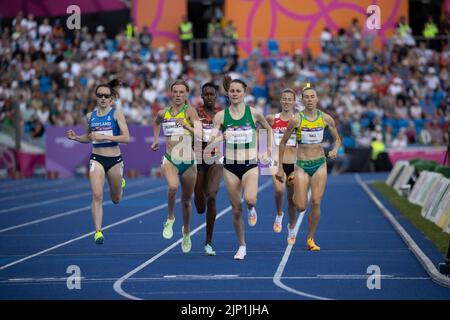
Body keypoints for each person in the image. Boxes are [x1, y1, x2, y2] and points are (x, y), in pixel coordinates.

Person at [209, 77, 272, 260]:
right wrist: (221, 136)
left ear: (244, 92)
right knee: (236, 210)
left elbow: (268, 129)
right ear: (228, 93)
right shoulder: (221, 116)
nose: (235, 94)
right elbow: (211, 139)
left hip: (250, 164)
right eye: (232, 91)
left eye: (238, 91)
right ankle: (242, 246)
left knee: (250, 199)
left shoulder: (254, 113)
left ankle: (252, 208)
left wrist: (267, 150)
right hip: (230, 166)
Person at [276, 83, 341, 250]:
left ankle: (310, 239)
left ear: (317, 99)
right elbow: (283, 143)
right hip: (302, 165)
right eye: (307, 97)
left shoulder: (326, 118)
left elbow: (337, 139)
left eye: (313, 97)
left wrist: (335, 149)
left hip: (319, 163)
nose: (310, 99)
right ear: (303, 100)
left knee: (316, 202)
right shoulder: (296, 119)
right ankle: (292, 183)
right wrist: (280, 167)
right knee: (301, 206)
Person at [67, 79, 129, 244]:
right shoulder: (90, 117)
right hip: (97, 158)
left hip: (115, 160)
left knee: (116, 199)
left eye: (106, 96)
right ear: (96, 97)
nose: (103, 98)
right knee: (97, 195)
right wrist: (76, 138)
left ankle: (120, 182)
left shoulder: (116, 114)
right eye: (100, 95)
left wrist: (104, 136)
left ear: (111, 98)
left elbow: (126, 138)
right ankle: (98, 232)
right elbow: (88, 138)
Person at [151, 80, 200, 253]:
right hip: (170, 158)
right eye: (175, 92)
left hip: (188, 161)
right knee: (173, 187)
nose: (178, 95)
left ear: (186, 94)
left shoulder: (191, 111)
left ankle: (186, 232)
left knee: (186, 201)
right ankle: (170, 218)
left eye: (182, 92)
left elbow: (201, 133)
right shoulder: (163, 113)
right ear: (171, 93)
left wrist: (186, 125)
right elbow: (156, 122)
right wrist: (156, 139)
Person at [194, 82, 223, 256]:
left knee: (212, 196)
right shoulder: (196, 113)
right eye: (206, 94)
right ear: (202, 97)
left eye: (212, 94)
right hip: (197, 158)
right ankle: (198, 195)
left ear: (216, 96)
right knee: (199, 207)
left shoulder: (221, 114)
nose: (209, 97)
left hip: (214, 159)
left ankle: (208, 242)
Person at [265, 89, 297, 234]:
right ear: (280, 100)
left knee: (291, 199)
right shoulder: (272, 118)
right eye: (284, 98)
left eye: (290, 99)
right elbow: (260, 131)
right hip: (276, 160)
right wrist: (264, 151)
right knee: (279, 190)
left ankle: (291, 227)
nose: (286, 101)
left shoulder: (298, 119)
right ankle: (279, 214)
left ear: (294, 101)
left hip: (293, 161)